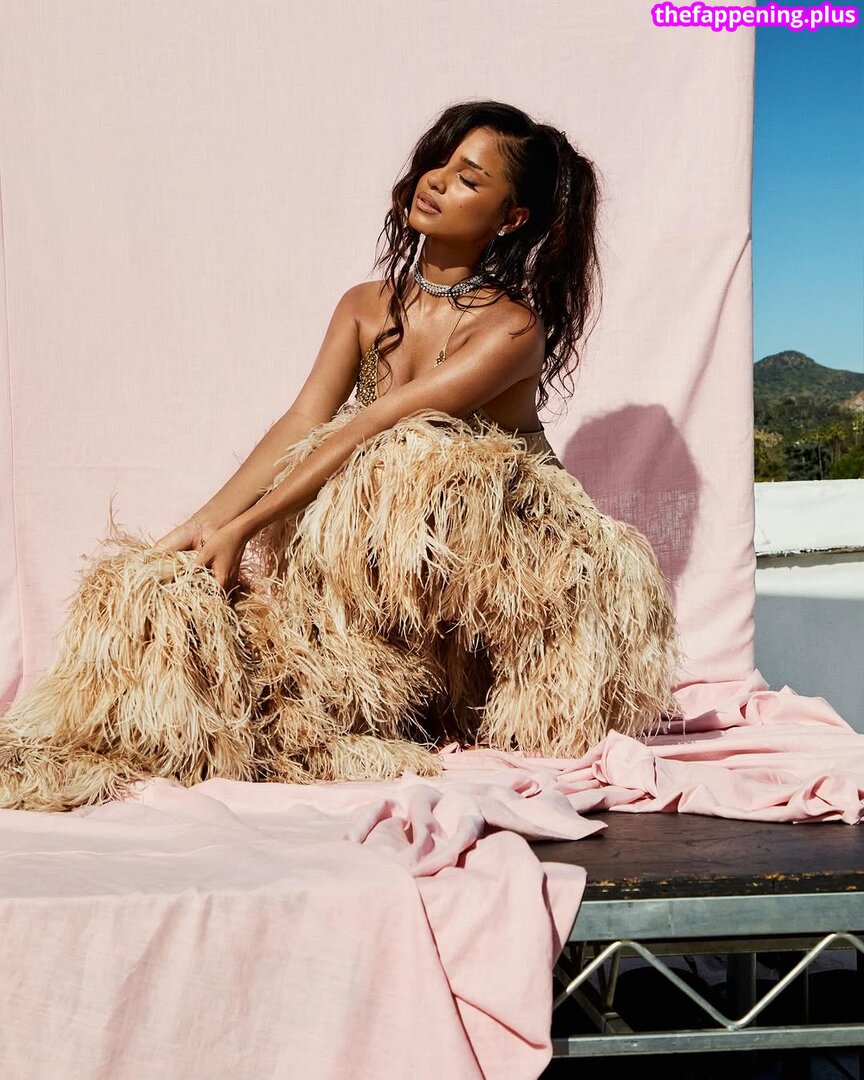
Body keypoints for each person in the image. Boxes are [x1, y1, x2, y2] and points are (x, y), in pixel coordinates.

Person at [0, 100, 680, 811]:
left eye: (469, 178)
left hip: (518, 572)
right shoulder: (364, 305)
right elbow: (304, 419)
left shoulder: (511, 330)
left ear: (511, 218)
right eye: (438, 161)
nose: (436, 180)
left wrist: (246, 527)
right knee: (174, 613)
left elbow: (377, 424)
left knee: (404, 454)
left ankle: (450, 688)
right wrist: (206, 525)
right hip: (403, 565)